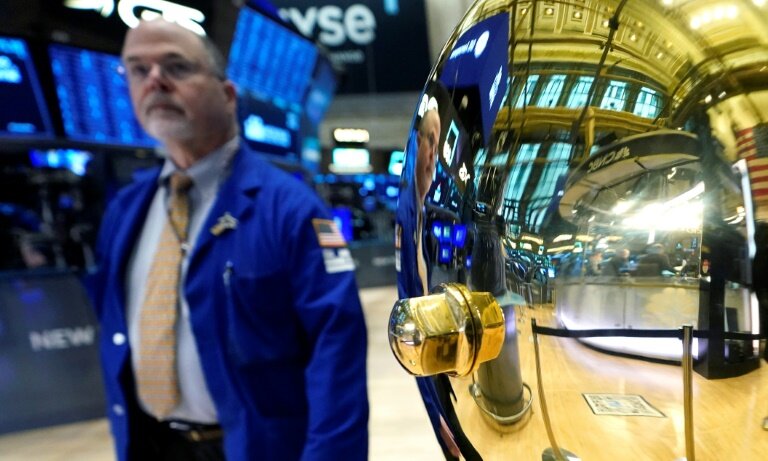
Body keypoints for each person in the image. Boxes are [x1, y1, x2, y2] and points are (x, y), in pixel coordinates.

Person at [86, 19, 368, 461]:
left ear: (228, 94)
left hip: (255, 448)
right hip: (150, 443)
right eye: (138, 70)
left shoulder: (291, 209)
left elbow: (336, 356)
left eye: (176, 67)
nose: (155, 81)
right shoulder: (125, 211)